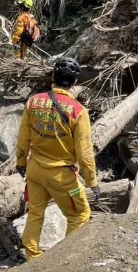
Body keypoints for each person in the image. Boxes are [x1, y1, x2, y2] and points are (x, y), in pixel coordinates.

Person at [15, 57, 100, 261]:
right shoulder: (78, 111)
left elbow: (23, 138)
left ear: (53, 77)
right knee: (79, 215)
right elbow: (84, 152)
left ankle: (32, 258)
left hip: (35, 170)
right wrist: (92, 182)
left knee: (35, 213)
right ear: (73, 83)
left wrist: (21, 163)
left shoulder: (33, 102)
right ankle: (65, 261)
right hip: (62, 177)